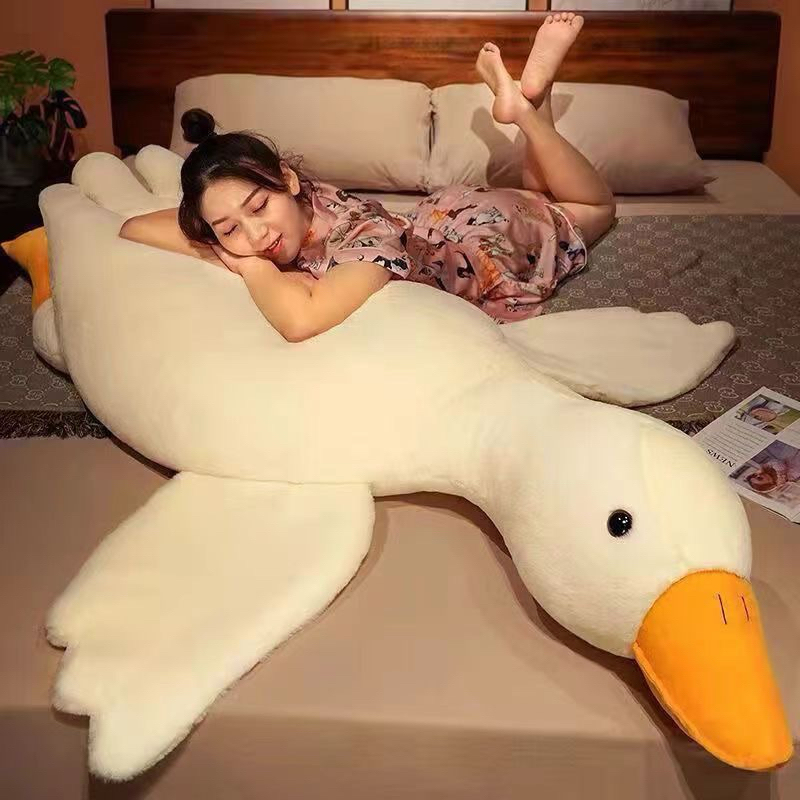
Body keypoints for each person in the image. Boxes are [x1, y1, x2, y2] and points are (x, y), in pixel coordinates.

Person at [120, 12, 615, 342]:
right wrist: (224, 237)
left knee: (595, 209)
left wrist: (248, 266)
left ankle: (524, 115)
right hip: (447, 217)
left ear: (287, 181)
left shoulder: (365, 239)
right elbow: (133, 228)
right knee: (538, 192)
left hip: (490, 240)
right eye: (228, 229)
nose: (255, 236)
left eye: (258, 208)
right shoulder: (303, 203)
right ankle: (534, 95)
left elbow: (301, 321)